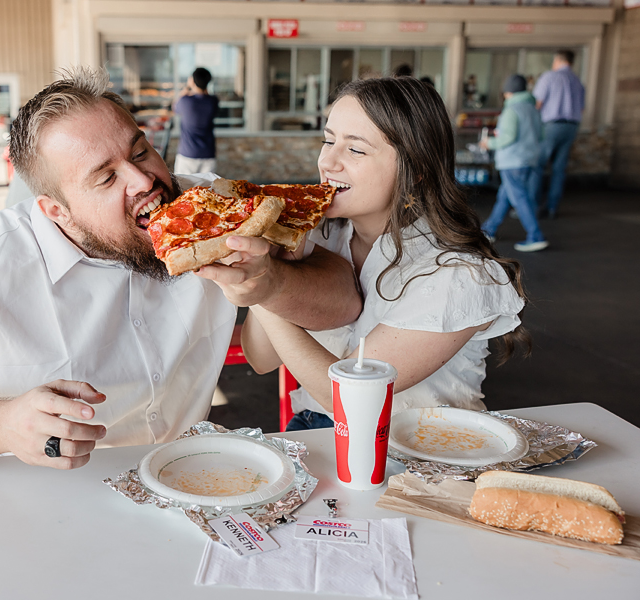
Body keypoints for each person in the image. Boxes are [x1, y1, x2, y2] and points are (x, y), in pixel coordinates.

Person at [0, 67, 361, 468]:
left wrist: (272, 283)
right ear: (56, 210)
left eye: (140, 150)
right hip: (50, 496)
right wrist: (3, 424)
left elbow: (342, 294)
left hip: (190, 474)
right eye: (105, 178)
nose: (144, 179)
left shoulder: (212, 203)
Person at [239, 77, 529, 430]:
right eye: (328, 141)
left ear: (417, 168)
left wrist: (265, 286)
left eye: (355, 149)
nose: (327, 162)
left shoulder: (459, 273)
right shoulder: (318, 238)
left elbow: (348, 397)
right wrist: (267, 269)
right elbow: (260, 359)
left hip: (420, 453)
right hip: (312, 432)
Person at [480, 74, 548, 253]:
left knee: (519, 197)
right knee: (505, 196)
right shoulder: (533, 109)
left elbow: (508, 138)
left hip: (512, 161)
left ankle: (535, 236)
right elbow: (541, 135)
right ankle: (488, 230)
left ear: (507, 92)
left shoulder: (511, 110)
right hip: (528, 159)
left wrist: (489, 143)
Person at [532, 49, 584, 219]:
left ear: (558, 60)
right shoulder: (578, 82)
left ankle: (531, 207)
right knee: (559, 169)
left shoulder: (549, 77)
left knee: (537, 165)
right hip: (572, 127)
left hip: (551, 126)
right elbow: (582, 108)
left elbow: (537, 104)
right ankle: (553, 207)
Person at [172, 68, 219, 175]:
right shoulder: (213, 101)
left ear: (192, 81)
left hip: (187, 154)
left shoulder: (185, 101)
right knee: (208, 190)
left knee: (183, 188)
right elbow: (205, 94)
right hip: (208, 153)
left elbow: (175, 107)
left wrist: (188, 86)